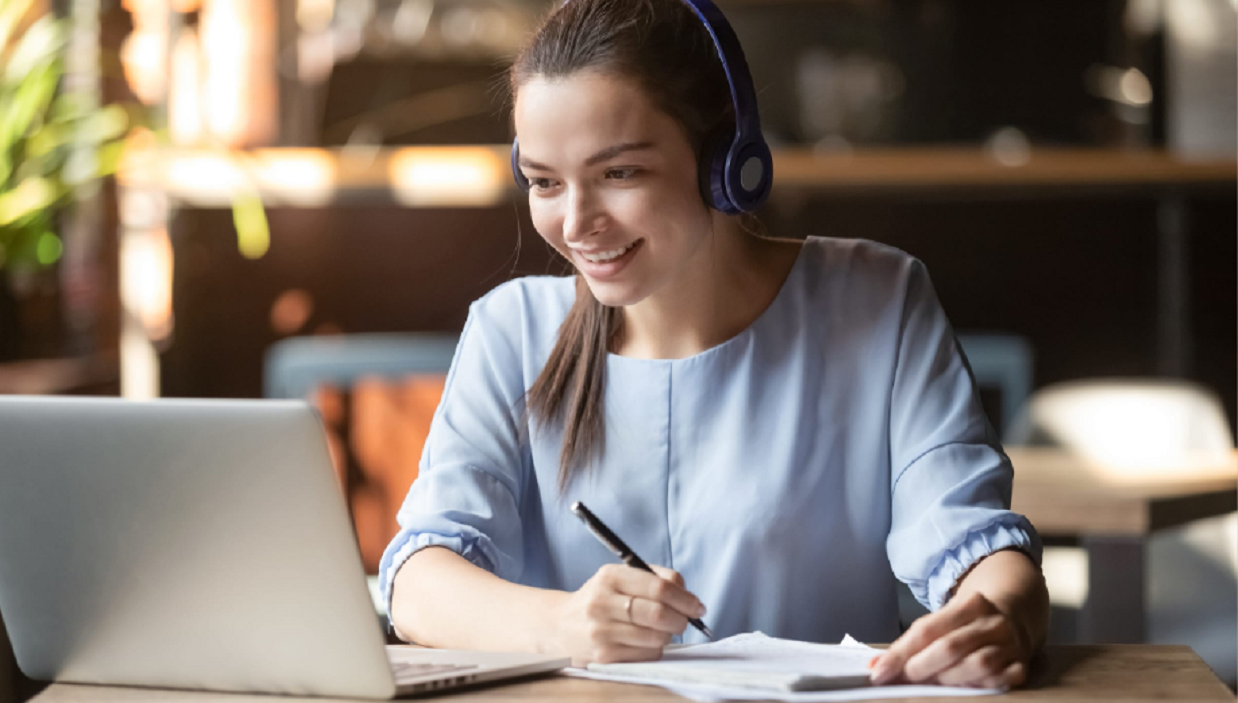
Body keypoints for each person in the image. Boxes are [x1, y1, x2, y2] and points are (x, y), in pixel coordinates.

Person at [378, 0, 1049, 689]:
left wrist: (1001, 615)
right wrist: (566, 624)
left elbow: (970, 539)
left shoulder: (875, 299)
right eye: (545, 181)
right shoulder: (510, 328)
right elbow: (417, 581)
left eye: (618, 174)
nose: (575, 223)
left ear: (725, 160)